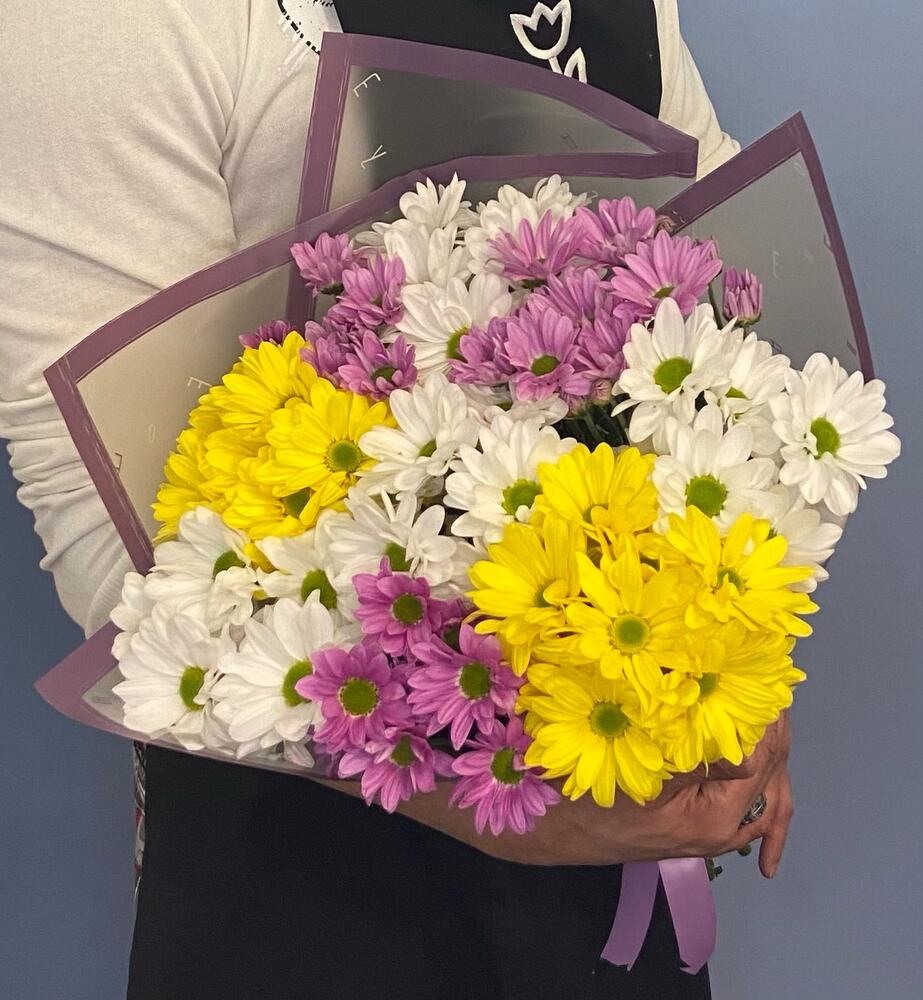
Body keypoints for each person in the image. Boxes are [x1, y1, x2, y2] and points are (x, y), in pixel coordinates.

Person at [0, 3, 793, 997]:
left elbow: (712, 263)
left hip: (611, 785)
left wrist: (727, 667)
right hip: (305, 845)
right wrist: (505, 801)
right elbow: (112, 524)